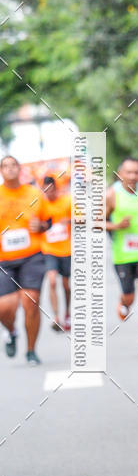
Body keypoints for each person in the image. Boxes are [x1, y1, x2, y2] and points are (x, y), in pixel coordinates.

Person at [0, 154, 51, 364]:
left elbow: (49, 221)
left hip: (32, 256)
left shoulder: (34, 193)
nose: (10, 169)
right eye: (5, 166)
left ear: (19, 169)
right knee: (5, 308)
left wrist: (42, 226)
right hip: (4, 260)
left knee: (31, 301)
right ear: (1, 171)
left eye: (14, 165)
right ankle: (12, 331)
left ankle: (31, 351)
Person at [105, 158, 138, 355]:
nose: (134, 176)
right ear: (120, 174)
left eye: (137, 172)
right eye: (129, 172)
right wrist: (116, 226)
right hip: (123, 256)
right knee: (129, 296)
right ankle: (124, 302)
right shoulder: (111, 195)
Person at [41, 175, 72, 331]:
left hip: (66, 249)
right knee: (52, 281)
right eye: (45, 191)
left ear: (56, 189)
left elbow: (82, 219)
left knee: (66, 286)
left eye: (51, 190)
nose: (49, 194)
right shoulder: (40, 204)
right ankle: (56, 317)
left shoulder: (67, 201)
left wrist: (69, 221)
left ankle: (67, 314)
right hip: (48, 249)